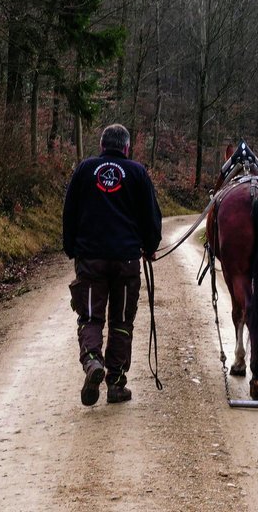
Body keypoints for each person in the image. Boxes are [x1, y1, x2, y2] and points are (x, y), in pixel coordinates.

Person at [62, 124, 162, 406]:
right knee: (121, 322)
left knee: (91, 318)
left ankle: (93, 362)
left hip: (91, 259)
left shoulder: (84, 169)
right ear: (127, 147)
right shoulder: (138, 172)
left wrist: (72, 248)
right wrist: (150, 246)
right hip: (127, 260)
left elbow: (69, 212)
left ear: (103, 146)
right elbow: (152, 216)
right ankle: (116, 384)